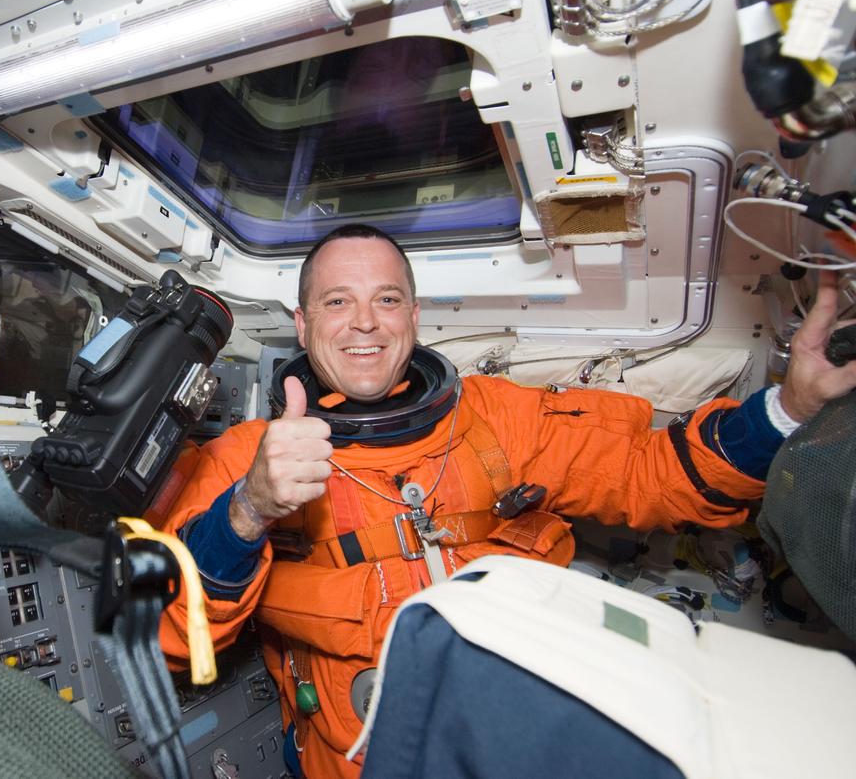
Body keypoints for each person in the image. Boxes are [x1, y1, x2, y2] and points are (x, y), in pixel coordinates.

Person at [155, 224, 856, 779]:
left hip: (528, 722)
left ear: (414, 316)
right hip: (368, 751)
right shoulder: (250, 456)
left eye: (387, 299)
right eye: (338, 302)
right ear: (304, 324)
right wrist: (249, 509)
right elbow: (179, 640)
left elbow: (651, 473)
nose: (364, 323)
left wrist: (786, 410)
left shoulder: (494, 418)